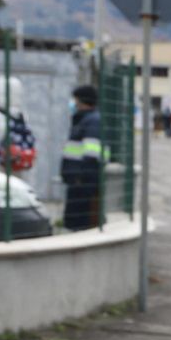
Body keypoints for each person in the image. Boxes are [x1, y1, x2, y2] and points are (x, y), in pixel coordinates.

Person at [62, 85, 104, 231]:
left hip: (83, 182)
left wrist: (81, 178)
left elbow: (92, 153)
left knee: (80, 222)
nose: (73, 103)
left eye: (75, 100)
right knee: (74, 221)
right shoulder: (83, 119)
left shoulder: (92, 121)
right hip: (77, 180)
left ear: (82, 101)